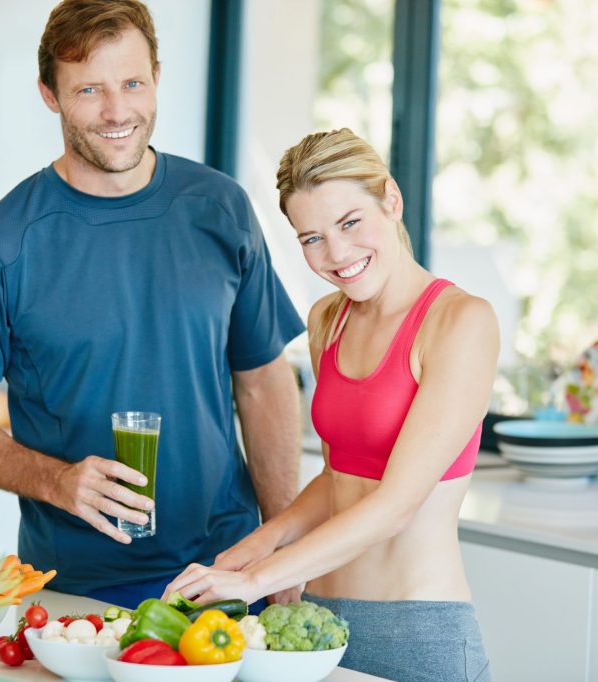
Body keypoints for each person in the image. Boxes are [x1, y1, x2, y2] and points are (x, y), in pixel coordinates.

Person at [0, 0, 305, 607]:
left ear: (157, 77)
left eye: (132, 83)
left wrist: (284, 551)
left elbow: (262, 381)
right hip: (79, 594)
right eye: (89, 89)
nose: (117, 110)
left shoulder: (220, 209)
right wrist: (56, 479)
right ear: (50, 94)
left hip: (231, 573)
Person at [163, 128, 499, 682]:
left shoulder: (461, 322)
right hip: (318, 626)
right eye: (311, 238)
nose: (337, 255)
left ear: (390, 199)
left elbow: (395, 505)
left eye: (350, 223)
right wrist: (256, 546)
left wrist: (257, 581)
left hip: (417, 631)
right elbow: (341, 476)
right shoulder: (328, 320)